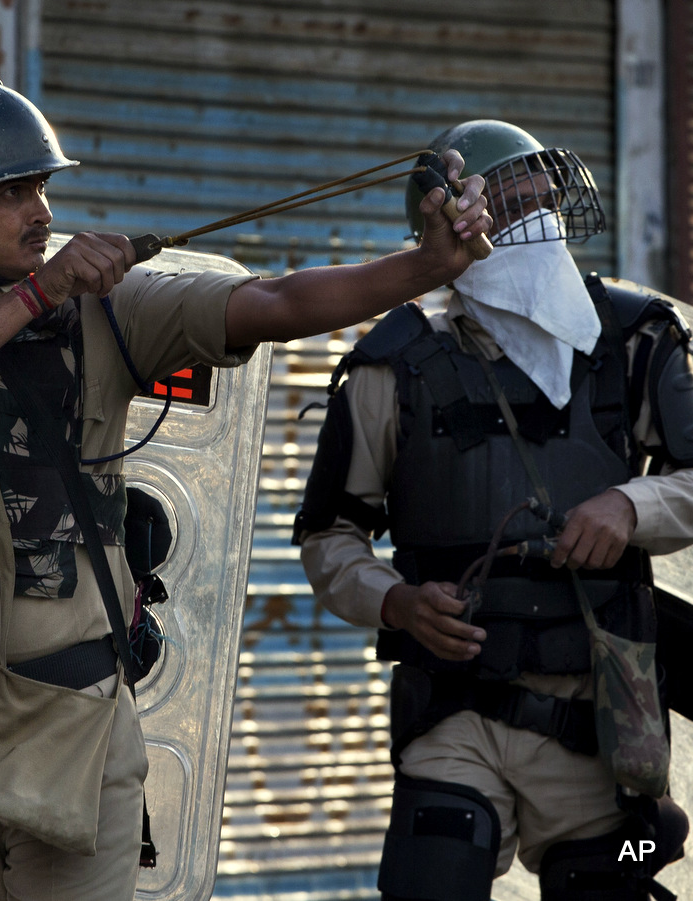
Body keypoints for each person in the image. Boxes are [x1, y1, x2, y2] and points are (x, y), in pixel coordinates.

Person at [0, 70, 491, 900]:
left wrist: (426, 266)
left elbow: (272, 300)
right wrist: (36, 295)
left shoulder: (107, 305)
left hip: (70, 724)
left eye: (42, 188)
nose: (42, 213)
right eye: (13, 192)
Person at [294, 119, 692, 899]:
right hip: (455, 721)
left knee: (612, 881)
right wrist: (397, 602)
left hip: (600, 731)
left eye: (547, 202)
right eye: (513, 206)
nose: (540, 223)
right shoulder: (395, 365)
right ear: (448, 229)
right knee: (430, 879)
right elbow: (327, 535)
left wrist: (629, 504)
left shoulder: (634, 342)